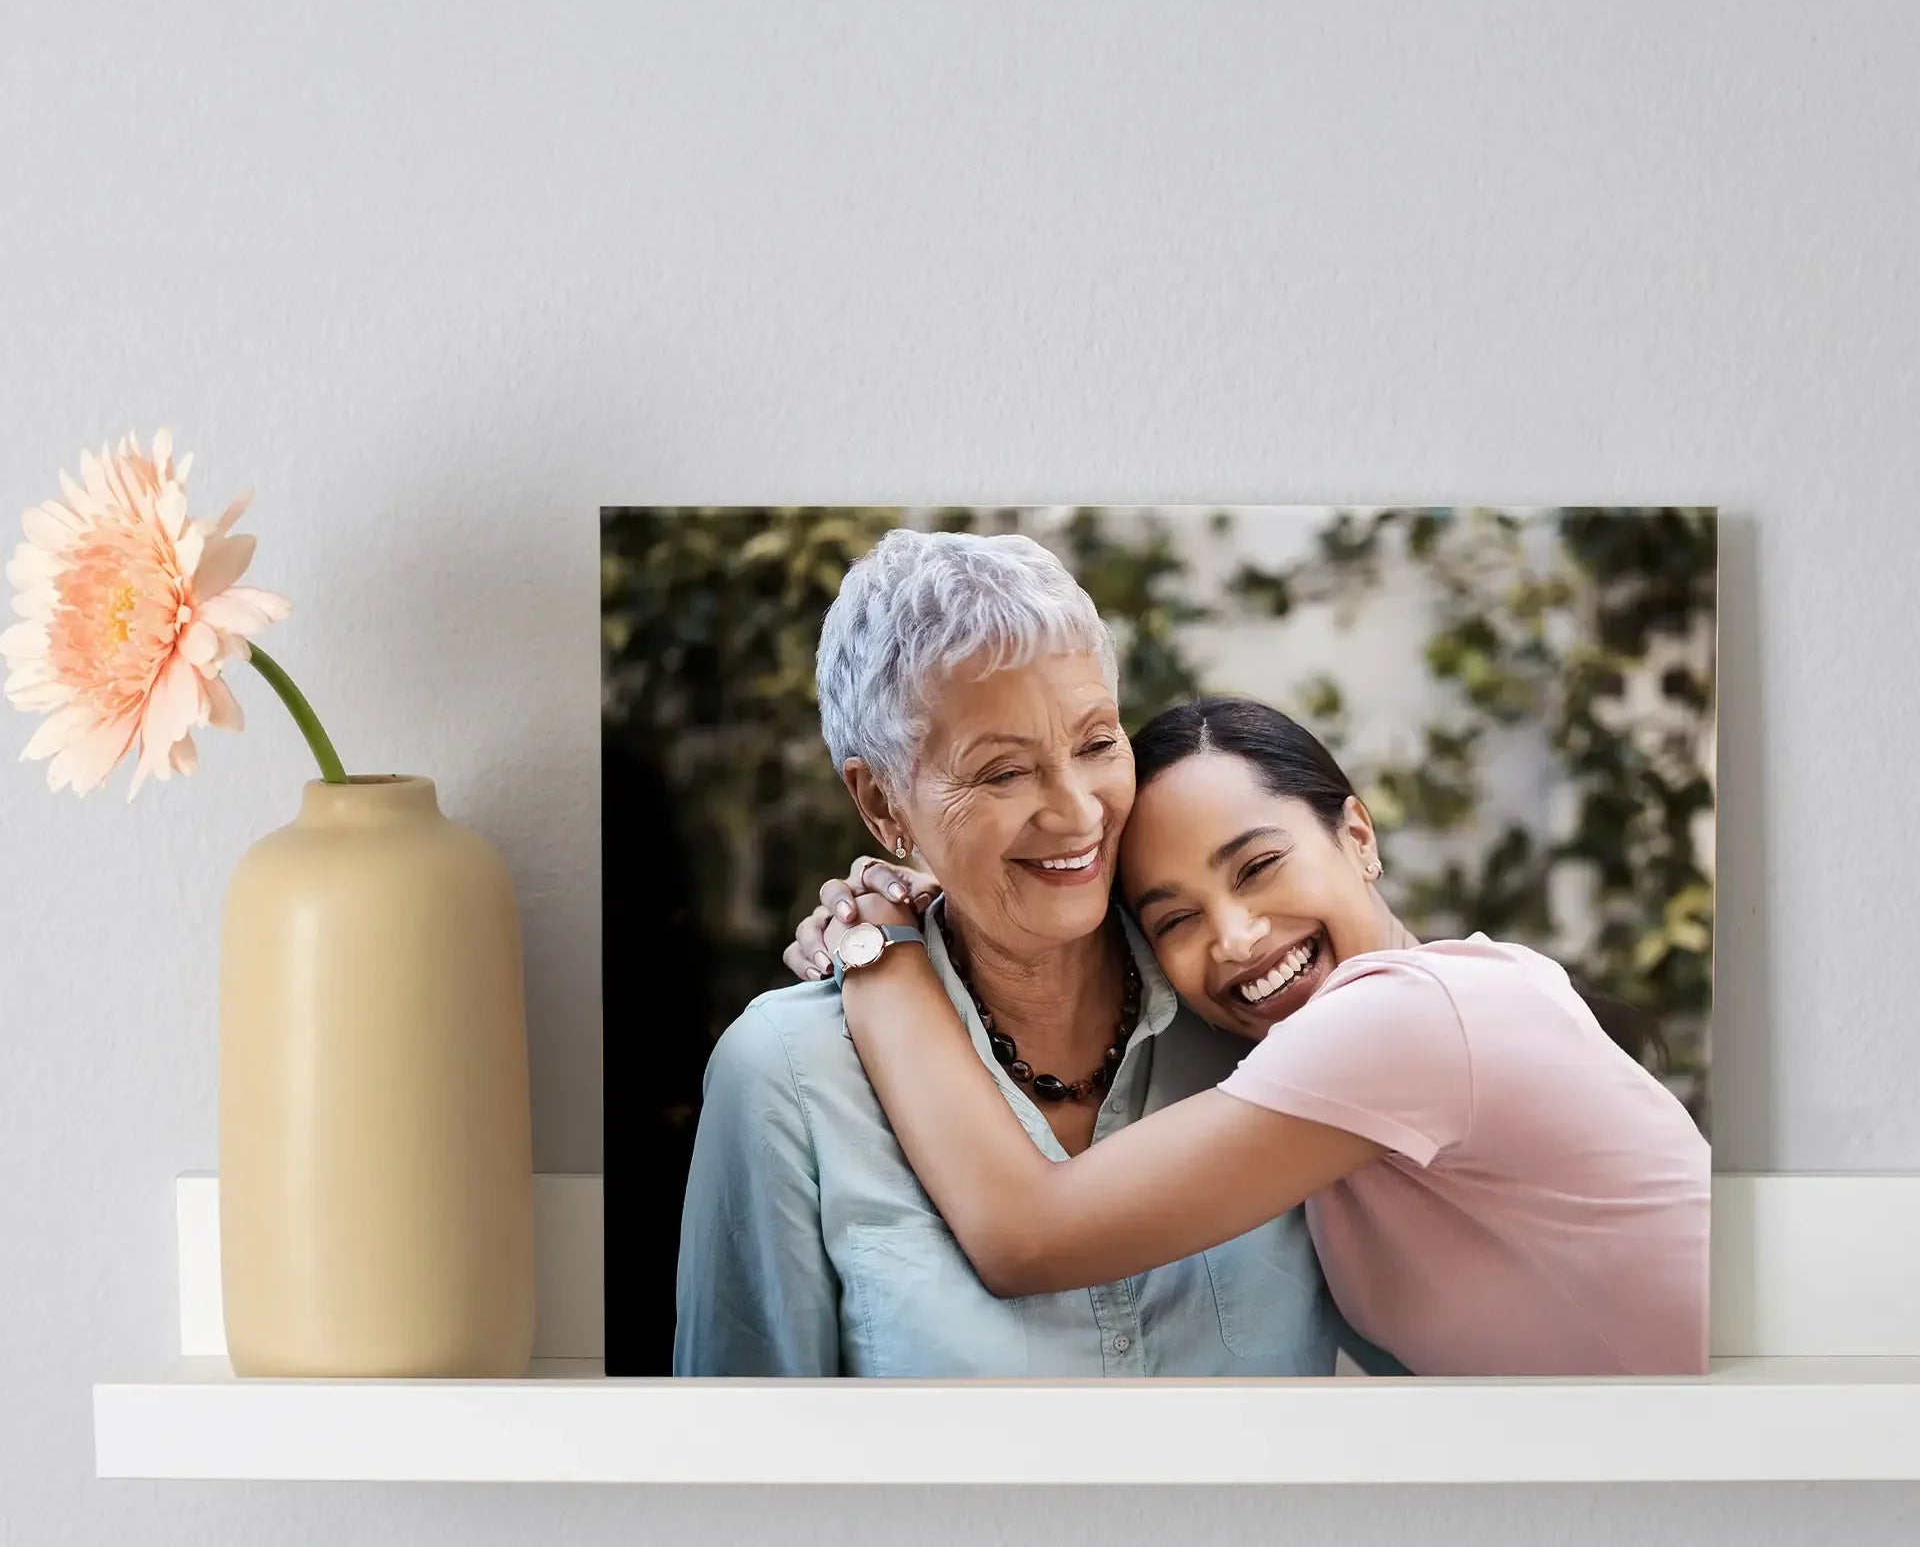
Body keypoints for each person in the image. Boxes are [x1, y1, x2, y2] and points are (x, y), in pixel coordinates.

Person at [812, 695, 1711, 1377]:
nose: (1236, 938)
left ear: (1356, 834)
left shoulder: (1413, 1019)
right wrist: (957, 900)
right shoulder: (1336, 1074)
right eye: (1175, 920)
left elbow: (1026, 1237)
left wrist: (881, 950)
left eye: (1258, 866)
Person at [673, 536, 1341, 1377]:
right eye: (1002, 774)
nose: (1075, 814)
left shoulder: (1253, 1002)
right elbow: (748, 1456)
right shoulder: (786, 1078)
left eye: (1098, 745)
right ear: (882, 803)